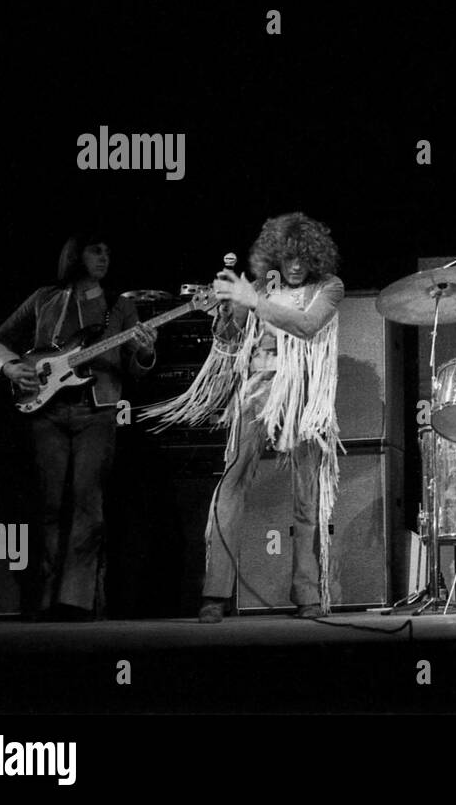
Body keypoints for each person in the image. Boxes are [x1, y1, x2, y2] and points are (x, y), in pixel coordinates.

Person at [142, 212, 344, 622]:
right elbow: (230, 342)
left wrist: (254, 302)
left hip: (302, 398)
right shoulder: (256, 288)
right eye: (288, 257)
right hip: (254, 392)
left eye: (304, 257)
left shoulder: (328, 287)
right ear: (275, 256)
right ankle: (215, 594)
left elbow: (307, 326)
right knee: (232, 483)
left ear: (315, 258)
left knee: (307, 497)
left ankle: (306, 592)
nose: (296, 265)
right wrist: (229, 310)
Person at [0, 233, 158, 620]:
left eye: (108, 251)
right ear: (76, 254)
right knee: (49, 505)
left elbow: (138, 365)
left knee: (88, 506)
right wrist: (11, 367)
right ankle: (45, 599)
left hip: (96, 413)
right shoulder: (44, 298)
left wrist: (147, 351)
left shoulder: (121, 305)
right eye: (96, 249)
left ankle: (76, 601)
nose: (104, 257)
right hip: (45, 414)